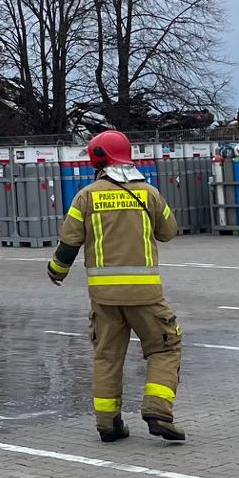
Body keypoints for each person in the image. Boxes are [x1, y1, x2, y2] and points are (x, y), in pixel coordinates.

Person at [47, 130, 186, 443]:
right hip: (146, 296)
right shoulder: (149, 193)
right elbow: (169, 232)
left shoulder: (86, 196)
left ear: (98, 159)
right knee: (165, 347)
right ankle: (157, 408)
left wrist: (56, 270)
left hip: (104, 298)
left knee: (107, 357)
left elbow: (68, 243)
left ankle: (109, 424)